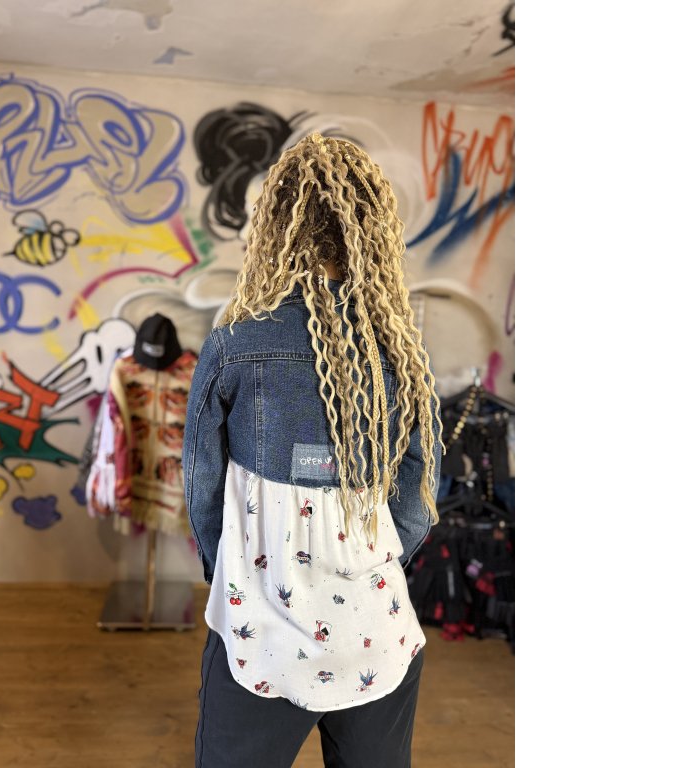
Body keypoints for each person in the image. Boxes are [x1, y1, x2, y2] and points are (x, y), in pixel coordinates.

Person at [183, 132, 443, 768]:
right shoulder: (398, 353)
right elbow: (416, 502)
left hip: (261, 633)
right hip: (377, 631)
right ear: (374, 231)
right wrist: (366, 562)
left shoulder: (236, 344)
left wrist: (231, 573)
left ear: (276, 227)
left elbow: (203, 490)